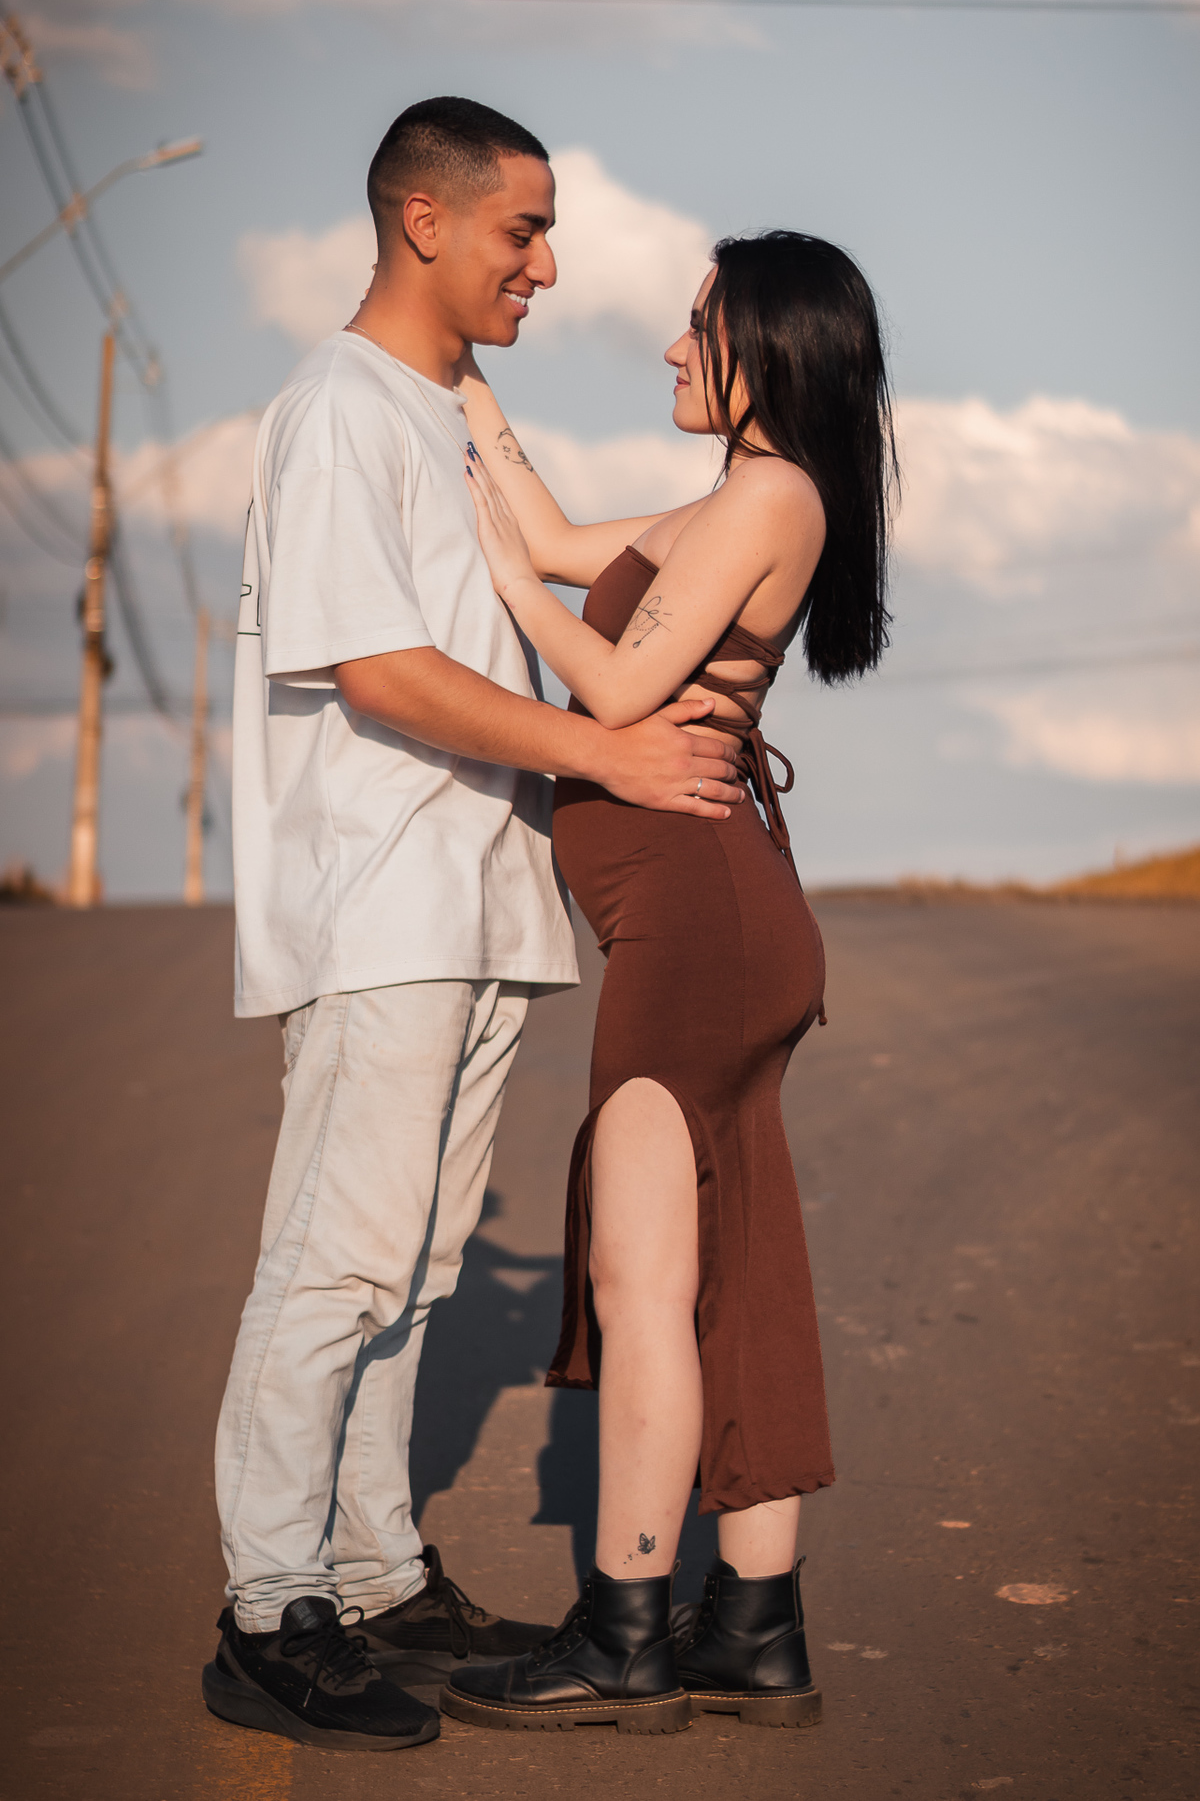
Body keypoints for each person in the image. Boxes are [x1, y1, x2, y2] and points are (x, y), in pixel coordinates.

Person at [202, 97, 745, 1754]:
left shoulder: (440, 414)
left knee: (421, 1269)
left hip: (478, 900)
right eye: (524, 230)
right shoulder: (336, 413)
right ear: (424, 221)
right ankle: (269, 1609)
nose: (549, 266)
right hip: (379, 903)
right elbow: (379, 668)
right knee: (335, 1262)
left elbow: (561, 565)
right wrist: (607, 752)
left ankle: (375, 1577)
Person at [441, 229, 896, 1736]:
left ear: (769, 344)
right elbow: (557, 534)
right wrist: (465, 377)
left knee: (642, 1281)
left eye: (698, 325)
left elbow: (619, 684)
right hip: (718, 917)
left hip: (695, 926)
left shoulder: (769, 494)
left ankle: (625, 1627)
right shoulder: (735, 501)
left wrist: (503, 587)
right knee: (735, 1272)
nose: (671, 348)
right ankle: (753, 1627)